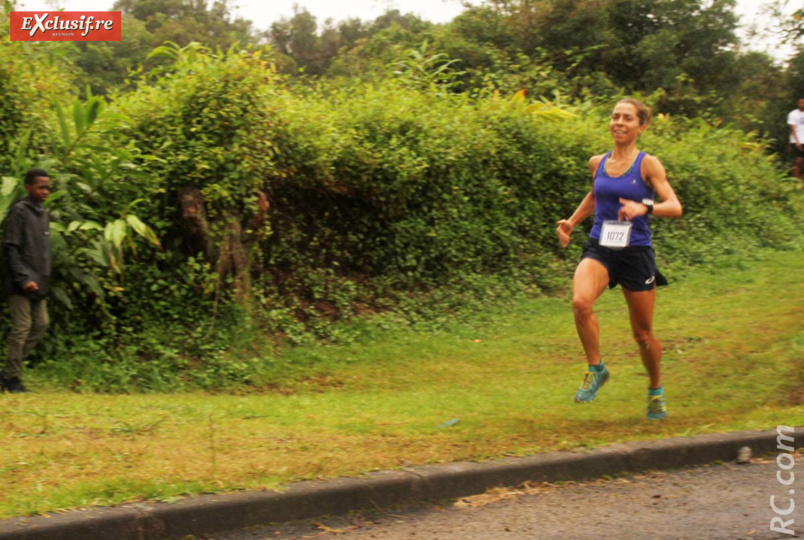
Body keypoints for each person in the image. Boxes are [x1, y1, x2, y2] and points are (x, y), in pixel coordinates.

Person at [556, 99, 682, 420]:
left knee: (642, 334)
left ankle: (655, 389)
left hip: (636, 252)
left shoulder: (647, 164)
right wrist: (572, 222)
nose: (619, 122)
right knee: (581, 302)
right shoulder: (597, 162)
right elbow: (597, 195)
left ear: (641, 126)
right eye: (615, 117)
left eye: (627, 118)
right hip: (601, 246)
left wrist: (646, 207)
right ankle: (597, 368)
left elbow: (674, 206)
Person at [1, 168, 52, 393]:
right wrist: (23, 279)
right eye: (41, 187)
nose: (45, 191)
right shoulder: (19, 211)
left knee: (41, 324)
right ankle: (12, 379)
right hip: (20, 282)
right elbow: (11, 247)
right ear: (28, 187)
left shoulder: (42, 213)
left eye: (48, 187)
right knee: (22, 327)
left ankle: (6, 373)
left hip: (39, 281)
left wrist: (42, 278)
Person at [787, 98, 804, 180]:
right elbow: (792, 129)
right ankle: (796, 180)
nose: (802, 104)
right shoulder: (793, 114)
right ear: (797, 103)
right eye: (800, 102)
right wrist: (797, 141)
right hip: (798, 140)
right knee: (799, 160)